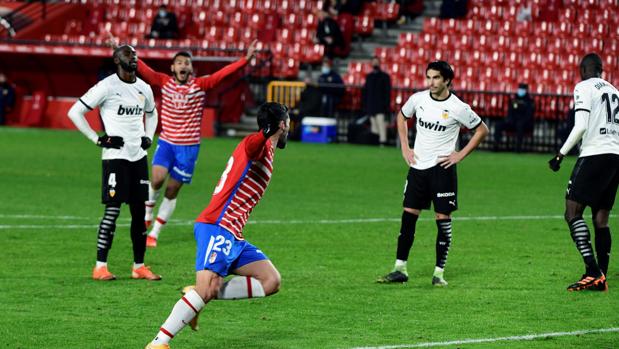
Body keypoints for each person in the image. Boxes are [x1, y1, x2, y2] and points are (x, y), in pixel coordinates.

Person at [144, 102, 289, 349]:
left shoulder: (269, 150)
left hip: (233, 233)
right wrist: (265, 132)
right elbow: (251, 147)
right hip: (217, 225)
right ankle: (159, 343)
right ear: (282, 125)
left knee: (271, 281)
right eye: (288, 122)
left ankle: (197, 294)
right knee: (206, 289)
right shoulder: (258, 144)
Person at [107, 33, 257, 247]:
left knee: (171, 190)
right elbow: (142, 67)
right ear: (172, 68)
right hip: (167, 143)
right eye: (179, 63)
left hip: (188, 148)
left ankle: (155, 232)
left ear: (191, 69)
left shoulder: (200, 85)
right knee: (157, 179)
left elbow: (223, 74)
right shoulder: (164, 82)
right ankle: (148, 214)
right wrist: (119, 47)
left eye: (186, 63)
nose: (183, 66)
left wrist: (245, 60)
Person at [377, 61, 489, 286]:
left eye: (436, 78)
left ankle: (439, 273)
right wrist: (405, 147)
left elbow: (482, 129)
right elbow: (401, 116)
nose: (431, 82)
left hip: (442, 170)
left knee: (442, 220)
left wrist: (460, 155)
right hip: (417, 169)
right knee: (408, 217)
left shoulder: (458, 107)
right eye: (429, 77)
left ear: (447, 80)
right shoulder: (418, 99)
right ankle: (400, 269)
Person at [67, 45, 161, 281]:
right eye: (128, 55)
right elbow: (75, 112)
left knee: (140, 213)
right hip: (115, 158)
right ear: (117, 60)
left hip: (138, 157)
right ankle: (100, 266)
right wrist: (97, 139)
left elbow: (152, 112)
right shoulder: (107, 86)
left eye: (135, 55)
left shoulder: (144, 88)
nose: (134, 58)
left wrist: (149, 135)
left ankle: (139, 266)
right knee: (112, 211)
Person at [548, 53, 618, 292]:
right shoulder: (614, 90)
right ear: (602, 69)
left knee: (572, 211)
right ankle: (602, 275)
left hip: (594, 153)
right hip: (615, 156)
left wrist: (560, 154)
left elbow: (581, 125)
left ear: (583, 69)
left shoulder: (584, 87)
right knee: (601, 218)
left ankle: (592, 271)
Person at [493, 83, 535, 152]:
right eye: (520, 89)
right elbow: (510, 111)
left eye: (522, 89)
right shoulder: (514, 98)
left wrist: (520, 121)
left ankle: (518, 148)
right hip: (512, 121)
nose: (521, 91)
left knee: (520, 125)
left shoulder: (529, 100)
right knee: (498, 125)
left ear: (526, 90)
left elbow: (529, 115)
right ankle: (496, 145)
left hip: (524, 123)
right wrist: (509, 120)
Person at [362, 56, 392, 146]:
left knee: (381, 125)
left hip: (381, 105)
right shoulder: (369, 77)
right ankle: (375, 142)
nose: (375, 64)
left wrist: (386, 105)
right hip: (371, 105)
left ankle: (383, 142)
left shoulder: (385, 77)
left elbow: (387, 92)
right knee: (374, 126)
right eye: (373, 62)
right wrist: (365, 105)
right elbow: (365, 91)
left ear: (379, 63)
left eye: (376, 62)